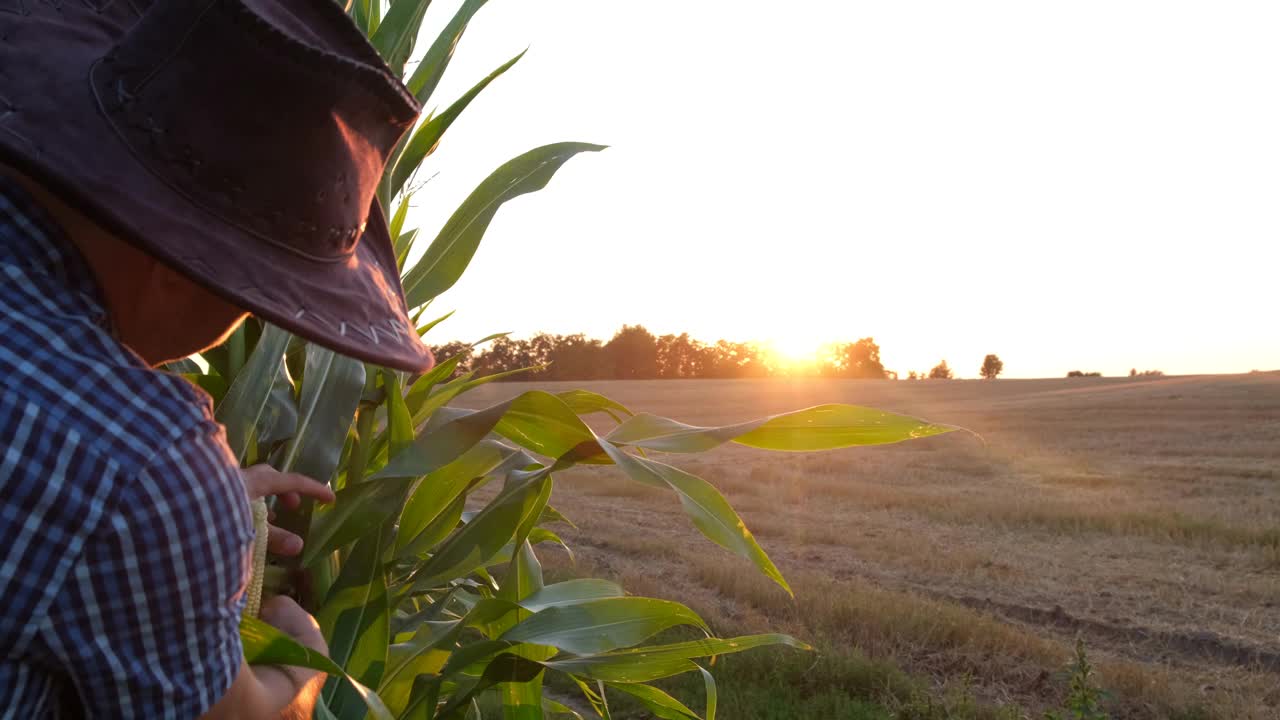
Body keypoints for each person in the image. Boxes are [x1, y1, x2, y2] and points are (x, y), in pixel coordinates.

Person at [0, 0, 434, 717]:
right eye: (264, 296)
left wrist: (188, 529)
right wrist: (304, 667)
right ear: (184, 261)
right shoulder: (145, 460)